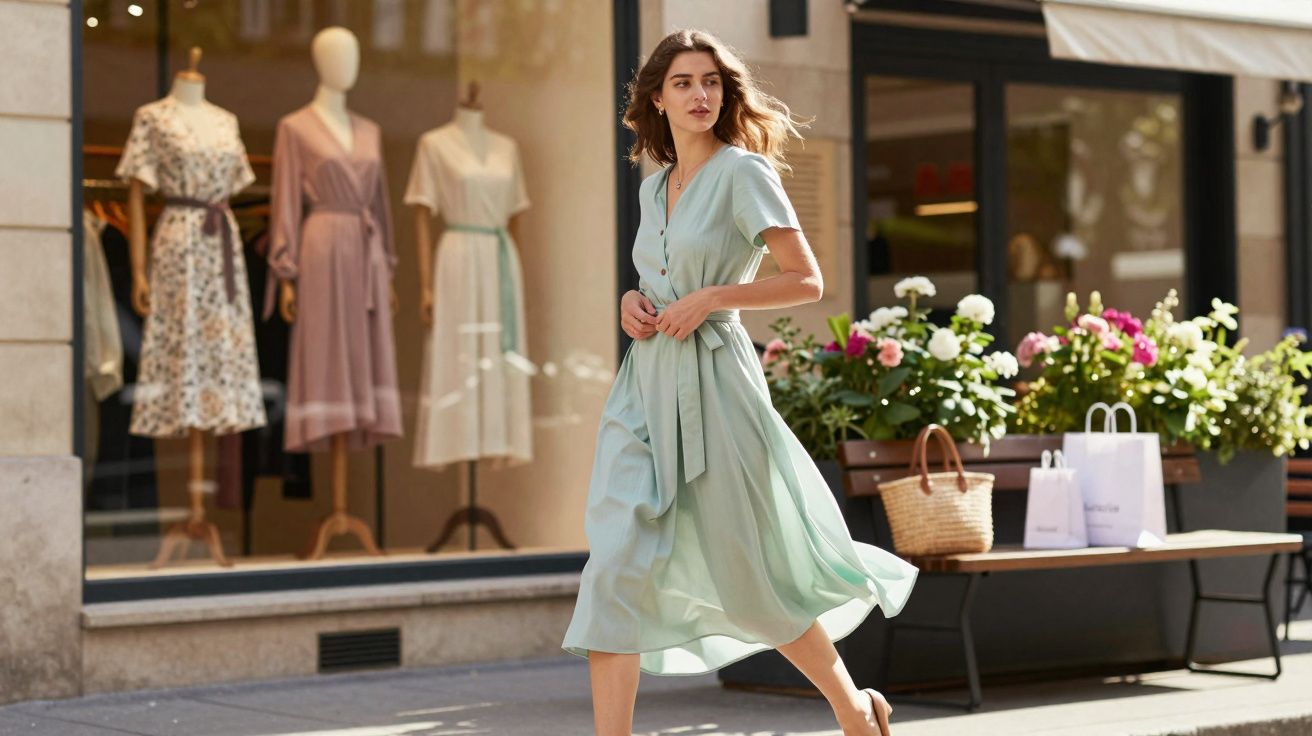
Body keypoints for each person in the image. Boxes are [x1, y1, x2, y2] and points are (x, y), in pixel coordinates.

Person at [560, 29, 918, 736]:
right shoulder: (654, 188)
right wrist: (632, 302)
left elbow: (806, 280)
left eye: (711, 82)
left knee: (748, 572)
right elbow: (655, 278)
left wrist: (713, 298)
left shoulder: (743, 172)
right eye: (684, 83)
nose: (700, 95)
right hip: (644, 387)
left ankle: (853, 707)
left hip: (716, 384)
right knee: (613, 566)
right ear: (657, 99)